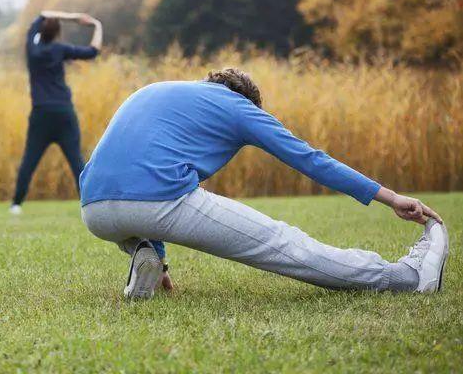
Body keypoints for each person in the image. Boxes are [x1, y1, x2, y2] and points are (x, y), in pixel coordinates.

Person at [79, 68, 449, 299]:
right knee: (283, 243)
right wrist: (389, 196)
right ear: (249, 102)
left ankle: (142, 253)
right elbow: (310, 158)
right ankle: (408, 277)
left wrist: (159, 259)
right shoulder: (239, 108)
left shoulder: (156, 91)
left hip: (94, 210)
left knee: (142, 199)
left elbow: (134, 167)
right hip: (158, 201)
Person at [9, 11, 103, 215]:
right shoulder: (60, 49)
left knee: (29, 161)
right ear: (57, 33)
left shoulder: (31, 50)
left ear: (39, 32)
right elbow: (93, 52)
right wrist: (96, 25)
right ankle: (88, 202)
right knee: (76, 160)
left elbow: (41, 14)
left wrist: (71, 16)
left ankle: (16, 204)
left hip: (41, 113)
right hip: (63, 112)